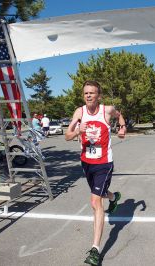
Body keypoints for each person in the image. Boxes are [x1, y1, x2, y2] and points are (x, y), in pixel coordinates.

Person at [65, 80, 126, 266]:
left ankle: (95, 250)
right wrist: (77, 132)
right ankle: (114, 196)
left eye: (92, 93)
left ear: (99, 96)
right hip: (86, 162)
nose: (89, 96)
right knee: (99, 194)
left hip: (103, 163)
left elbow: (120, 116)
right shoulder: (79, 112)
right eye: (86, 93)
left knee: (94, 201)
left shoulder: (106, 110)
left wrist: (122, 128)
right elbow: (67, 136)